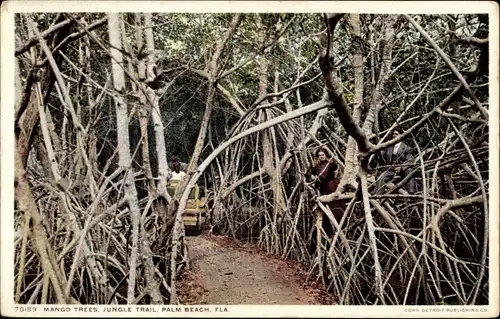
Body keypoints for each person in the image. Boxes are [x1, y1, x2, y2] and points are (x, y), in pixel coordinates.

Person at [373, 130, 416, 194]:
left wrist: (401, 168)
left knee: (409, 170)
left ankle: (411, 192)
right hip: (390, 170)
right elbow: (380, 157)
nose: (394, 136)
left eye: (396, 134)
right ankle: (378, 196)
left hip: (402, 170)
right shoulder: (388, 147)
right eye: (393, 134)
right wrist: (376, 149)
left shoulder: (407, 148)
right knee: (381, 177)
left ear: (401, 135)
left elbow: (410, 161)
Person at [308, 148, 343, 223]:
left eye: (323, 155)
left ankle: (340, 223)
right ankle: (328, 228)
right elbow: (311, 175)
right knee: (326, 207)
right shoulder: (316, 167)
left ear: (326, 155)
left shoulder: (331, 164)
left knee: (335, 205)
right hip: (323, 188)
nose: (321, 156)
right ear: (318, 157)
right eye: (319, 155)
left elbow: (333, 170)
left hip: (332, 186)